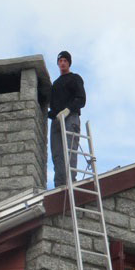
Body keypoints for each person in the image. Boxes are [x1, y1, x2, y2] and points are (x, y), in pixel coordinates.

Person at [48, 50, 86, 187]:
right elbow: (51, 107)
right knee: (57, 154)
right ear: (58, 63)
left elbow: (81, 99)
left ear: (69, 63)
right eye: (60, 61)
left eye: (65, 61)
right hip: (57, 121)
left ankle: (70, 182)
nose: (63, 63)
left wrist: (68, 109)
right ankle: (59, 185)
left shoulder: (75, 78)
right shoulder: (55, 84)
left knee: (69, 151)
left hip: (71, 118)